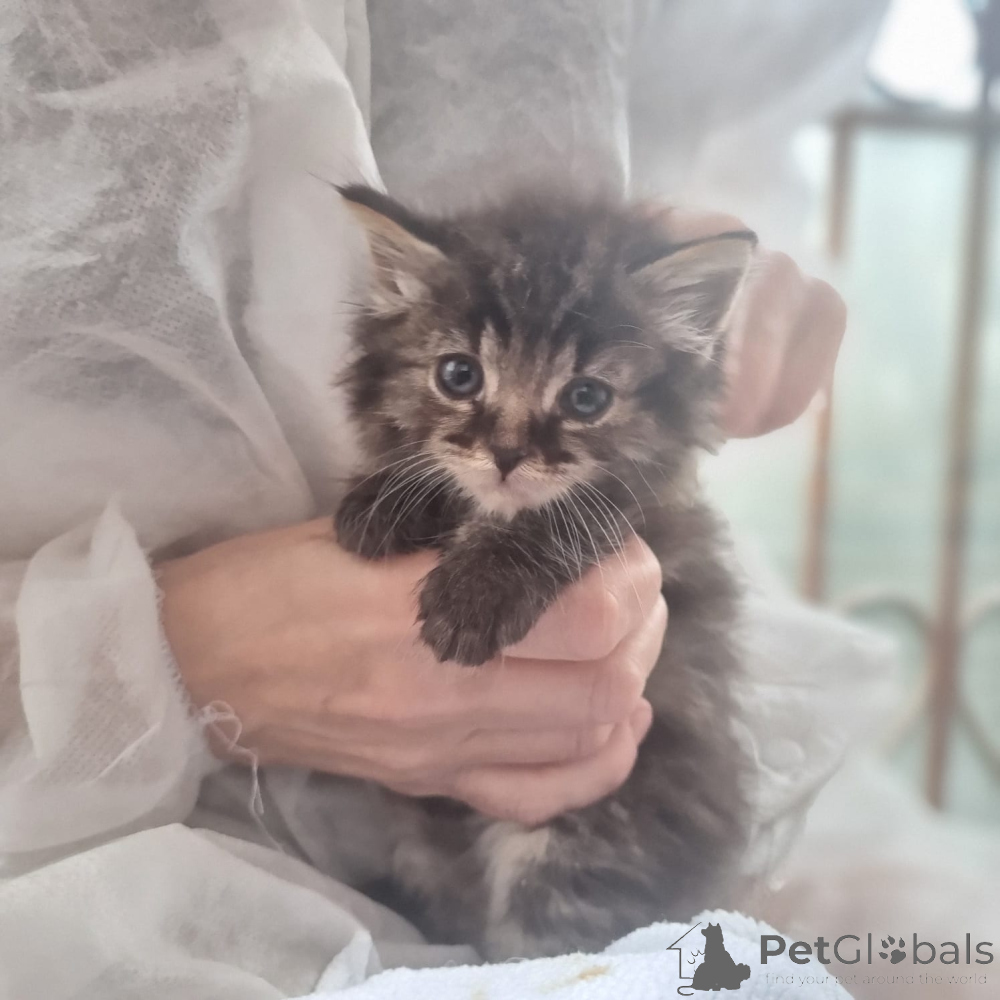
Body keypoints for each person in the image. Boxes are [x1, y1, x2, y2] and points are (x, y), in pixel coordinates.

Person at [0, 2, 887, 996]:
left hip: (565, 840)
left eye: (579, 400)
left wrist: (702, 244)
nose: (507, 446)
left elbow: (727, 98)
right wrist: (169, 652)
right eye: (462, 378)